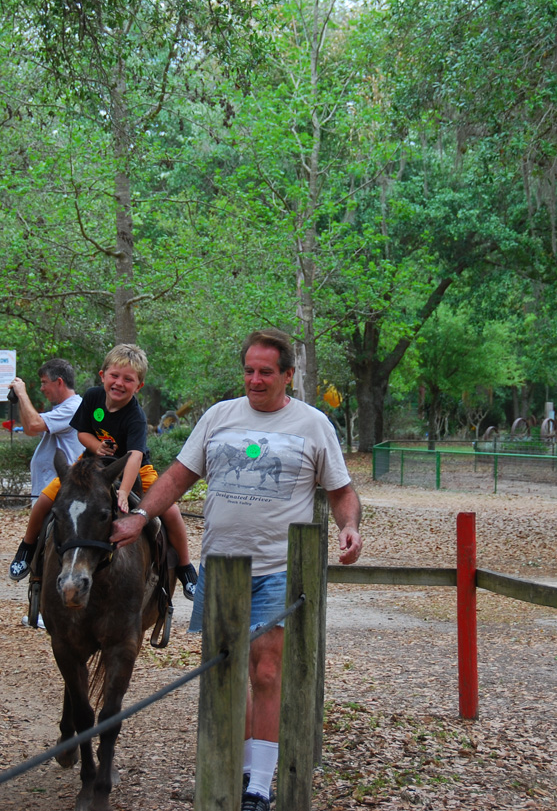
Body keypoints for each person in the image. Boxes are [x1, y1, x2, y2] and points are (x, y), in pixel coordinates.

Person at [109, 329, 363, 811]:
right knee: (228, 672)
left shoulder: (312, 424)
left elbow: (341, 491)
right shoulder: (218, 417)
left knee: (266, 669)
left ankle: (259, 788)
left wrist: (349, 527)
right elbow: (178, 477)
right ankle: (243, 766)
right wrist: (140, 515)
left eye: (266, 371)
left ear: (288, 375)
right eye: (249, 370)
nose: (255, 379)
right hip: (222, 568)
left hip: (279, 566)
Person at [6, 344, 198, 600]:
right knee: (44, 500)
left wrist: (125, 492)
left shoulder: (135, 417)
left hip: (136, 468)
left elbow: (135, 456)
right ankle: (27, 549)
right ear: (102, 376)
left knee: (171, 511)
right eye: (114, 376)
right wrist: (97, 446)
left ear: (138, 386)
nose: (119, 383)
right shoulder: (93, 398)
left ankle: (185, 568)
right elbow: (82, 432)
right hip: (90, 464)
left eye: (128, 379)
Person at [12, 359, 84, 506]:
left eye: (44, 382)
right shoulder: (60, 409)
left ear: (59, 382)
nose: (41, 388)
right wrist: (20, 399)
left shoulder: (73, 408)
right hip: (49, 491)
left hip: (61, 493)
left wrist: (23, 394)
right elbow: (29, 430)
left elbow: (34, 424)